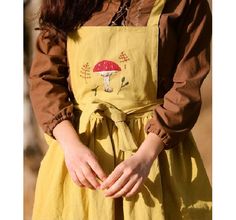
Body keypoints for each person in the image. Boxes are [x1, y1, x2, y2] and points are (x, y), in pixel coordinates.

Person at [28, 0, 212, 219]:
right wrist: (71, 146)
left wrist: (145, 157)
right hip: (79, 159)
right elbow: (44, 79)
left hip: (156, 158)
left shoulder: (185, 3)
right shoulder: (66, 3)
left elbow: (186, 87)